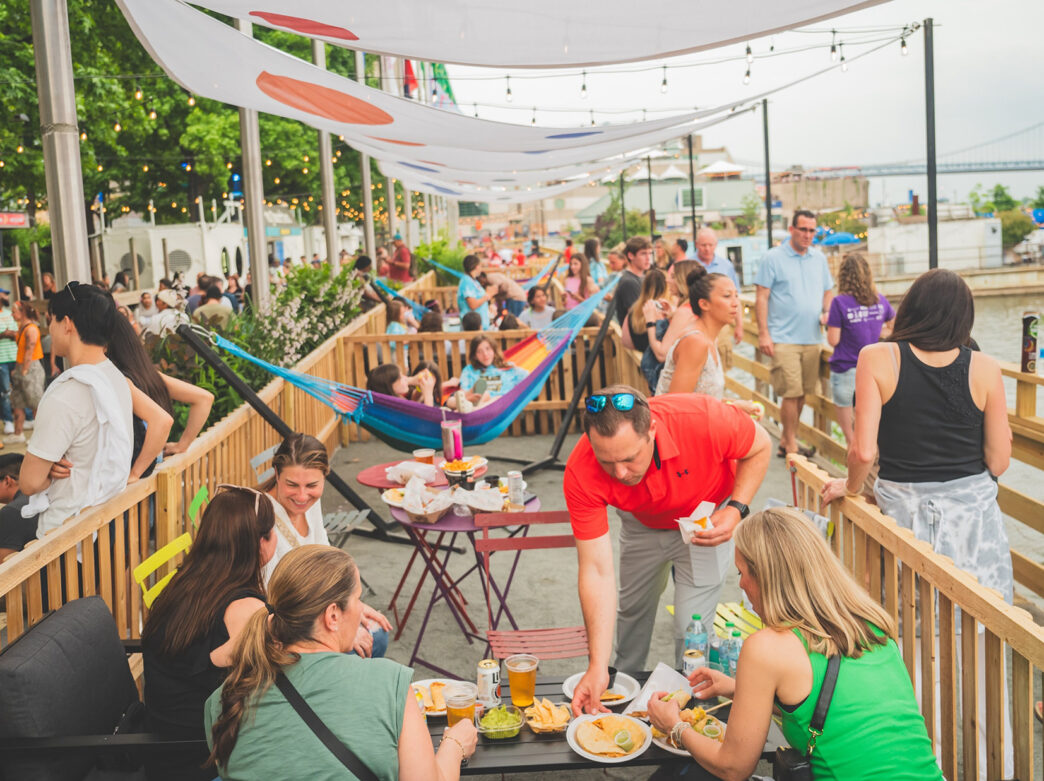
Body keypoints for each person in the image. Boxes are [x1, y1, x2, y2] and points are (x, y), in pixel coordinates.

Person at [647, 506, 942, 781]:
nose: (739, 585)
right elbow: (837, 711)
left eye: (741, 573)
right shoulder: (870, 622)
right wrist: (738, 688)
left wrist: (675, 726)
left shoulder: (767, 647)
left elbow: (733, 766)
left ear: (766, 578)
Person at [565, 385, 771, 716]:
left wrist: (736, 510)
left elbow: (761, 445)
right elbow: (596, 570)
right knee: (632, 608)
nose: (620, 473)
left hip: (705, 517)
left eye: (630, 458)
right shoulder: (580, 468)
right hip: (640, 522)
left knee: (691, 624)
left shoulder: (702, 419)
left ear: (652, 430)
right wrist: (595, 664)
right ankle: (617, 683)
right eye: (608, 462)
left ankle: (686, 703)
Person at [205, 546, 478, 780]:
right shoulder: (387, 681)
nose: (361, 609)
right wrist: (455, 744)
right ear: (333, 615)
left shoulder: (223, 701)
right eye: (358, 598)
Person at [821, 268, 1012, 602]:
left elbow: (863, 453)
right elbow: (998, 462)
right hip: (972, 519)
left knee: (907, 617)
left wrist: (850, 487)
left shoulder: (878, 357)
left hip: (903, 511)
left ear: (910, 307)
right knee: (979, 620)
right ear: (964, 317)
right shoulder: (985, 366)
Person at [143, 486, 277, 781]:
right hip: (206, 759)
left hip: (164, 749)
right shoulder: (246, 610)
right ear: (261, 543)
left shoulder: (182, 584)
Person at [19, 284, 164, 541]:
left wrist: (46, 473)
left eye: (51, 320)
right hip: (108, 528)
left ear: (67, 323)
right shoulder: (116, 377)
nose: (50, 328)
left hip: (65, 538)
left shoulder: (67, 392)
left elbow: (29, 483)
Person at [261, 433, 391, 656]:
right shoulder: (263, 518)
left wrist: (351, 608)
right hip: (283, 627)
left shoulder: (310, 503)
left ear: (325, 477)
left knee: (376, 633)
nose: (302, 496)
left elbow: (326, 560)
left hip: (316, 607)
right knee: (373, 641)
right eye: (292, 484)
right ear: (276, 474)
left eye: (312, 485)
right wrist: (343, 627)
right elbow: (275, 600)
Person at [755, 210, 834, 457]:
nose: (808, 235)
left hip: (812, 337)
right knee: (791, 393)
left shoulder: (819, 258)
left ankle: (787, 440)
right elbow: (762, 297)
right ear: (792, 230)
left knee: (802, 395)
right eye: (803, 229)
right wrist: (764, 334)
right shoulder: (772, 257)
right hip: (783, 338)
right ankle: (790, 445)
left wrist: (827, 312)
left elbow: (828, 291)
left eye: (812, 231)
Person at [107, 314, 214, 460]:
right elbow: (204, 398)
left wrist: (136, 471)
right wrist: (182, 444)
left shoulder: (119, 379)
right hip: (154, 463)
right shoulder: (146, 373)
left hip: (136, 471)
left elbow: (204, 399)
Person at [825, 254, 895, 447]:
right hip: (873, 371)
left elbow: (833, 339)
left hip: (846, 369)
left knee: (852, 440)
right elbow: (895, 327)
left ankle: (853, 475)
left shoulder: (839, 303)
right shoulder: (879, 300)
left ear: (843, 276)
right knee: (872, 432)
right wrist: (876, 330)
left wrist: (827, 324)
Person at [655, 267, 735, 398]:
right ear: (704, 304)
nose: (736, 303)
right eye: (727, 296)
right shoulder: (695, 342)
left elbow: (705, 398)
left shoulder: (710, 337)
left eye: (736, 296)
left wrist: (735, 405)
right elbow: (678, 405)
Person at [642, 260, 698, 392]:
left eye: (673, 276)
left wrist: (650, 322)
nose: (667, 280)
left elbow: (661, 354)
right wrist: (672, 315)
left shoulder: (684, 311)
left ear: (683, 280)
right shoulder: (694, 306)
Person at [694, 228, 745, 368]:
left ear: (716, 245)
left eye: (710, 245)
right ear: (696, 244)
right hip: (697, 323)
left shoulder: (726, 265)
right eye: (703, 245)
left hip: (721, 326)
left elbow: (736, 297)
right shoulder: (690, 265)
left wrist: (739, 325)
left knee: (722, 364)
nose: (707, 248)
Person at [3, 301, 45, 444]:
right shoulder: (21, 327)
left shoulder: (31, 329)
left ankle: (40, 436)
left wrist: (25, 369)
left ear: (22, 312)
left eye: (14, 311)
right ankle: (18, 433)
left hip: (31, 367)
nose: (13, 314)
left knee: (35, 402)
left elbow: (30, 350)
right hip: (21, 366)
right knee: (18, 401)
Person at [458, 335, 526, 402]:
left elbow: (529, 380)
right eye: (479, 351)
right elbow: (464, 392)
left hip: (503, 405)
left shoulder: (509, 368)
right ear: (475, 356)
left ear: (494, 350)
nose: (485, 354)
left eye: (488, 349)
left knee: (494, 397)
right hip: (476, 406)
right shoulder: (469, 370)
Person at [623, 268, 667, 354]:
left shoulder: (634, 310)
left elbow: (626, 341)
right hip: (659, 362)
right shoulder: (665, 311)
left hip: (640, 360)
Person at [0, 454, 34, 562]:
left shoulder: (11, 513)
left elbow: (4, 565)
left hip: (35, 577)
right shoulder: (41, 497)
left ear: (7, 481)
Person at [613, 236, 652, 328]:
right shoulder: (629, 282)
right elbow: (636, 318)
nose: (648, 258)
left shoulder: (642, 277)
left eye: (650, 253)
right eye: (643, 254)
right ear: (630, 255)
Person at [366, 363, 438, 407]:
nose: (405, 378)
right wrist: (428, 394)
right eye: (400, 377)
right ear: (389, 387)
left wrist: (414, 381)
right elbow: (428, 421)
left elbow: (415, 405)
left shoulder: (389, 403)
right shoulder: (399, 407)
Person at [457, 255, 497, 331]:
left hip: (480, 325)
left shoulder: (473, 281)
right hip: (472, 326)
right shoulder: (467, 282)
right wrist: (487, 295)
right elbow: (473, 304)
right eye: (480, 265)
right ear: (476, 266)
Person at [0, 295, 16, 435]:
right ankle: (8, 421)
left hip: (15, 356)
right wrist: (2, 334)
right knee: (5, 392)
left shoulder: (9, 314)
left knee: (20, 388)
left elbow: (19, 331)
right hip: (1, 359)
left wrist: (11, 333)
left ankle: (28, 418)